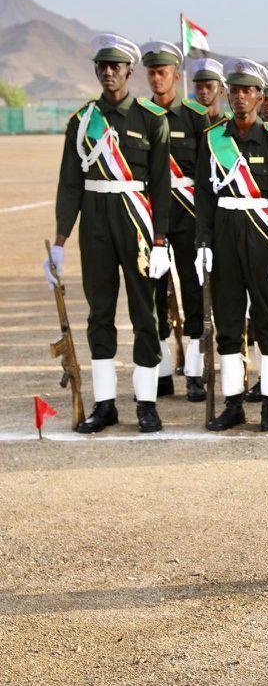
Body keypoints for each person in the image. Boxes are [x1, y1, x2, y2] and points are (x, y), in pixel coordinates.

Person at [47, 34, 171, 433]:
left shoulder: (152, 119)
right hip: (95, 223)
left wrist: (160, 241)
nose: (108, 72)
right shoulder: (82, 121)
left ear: (129, 72)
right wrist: (61, 241)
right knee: (99, 312)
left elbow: (162, 187)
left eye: (116, 66)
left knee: (144, 313)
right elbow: (70, 183)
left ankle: (147, 404)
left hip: (136, 222)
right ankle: (105, 404)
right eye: (102, 66)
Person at [196, 58, 268, 431]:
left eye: (248, 91)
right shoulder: (212, 139)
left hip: (263, 237)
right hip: (223, 233)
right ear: (227, 93)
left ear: (259, 96)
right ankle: (233, 403)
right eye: (234, 90)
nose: (240, 97)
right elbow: (204, 196)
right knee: (227, 321)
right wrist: (202, 243)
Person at [141, 41, 209, 401]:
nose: (157, 78)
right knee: (152, 296)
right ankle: (162, 369)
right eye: (151, 72)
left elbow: (207, 173)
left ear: (176, 76)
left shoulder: (196, 117)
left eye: (163, 72)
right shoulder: (138, 115)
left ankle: (195, 373)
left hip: (189, 217)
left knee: (194, 292)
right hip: (151, 217)